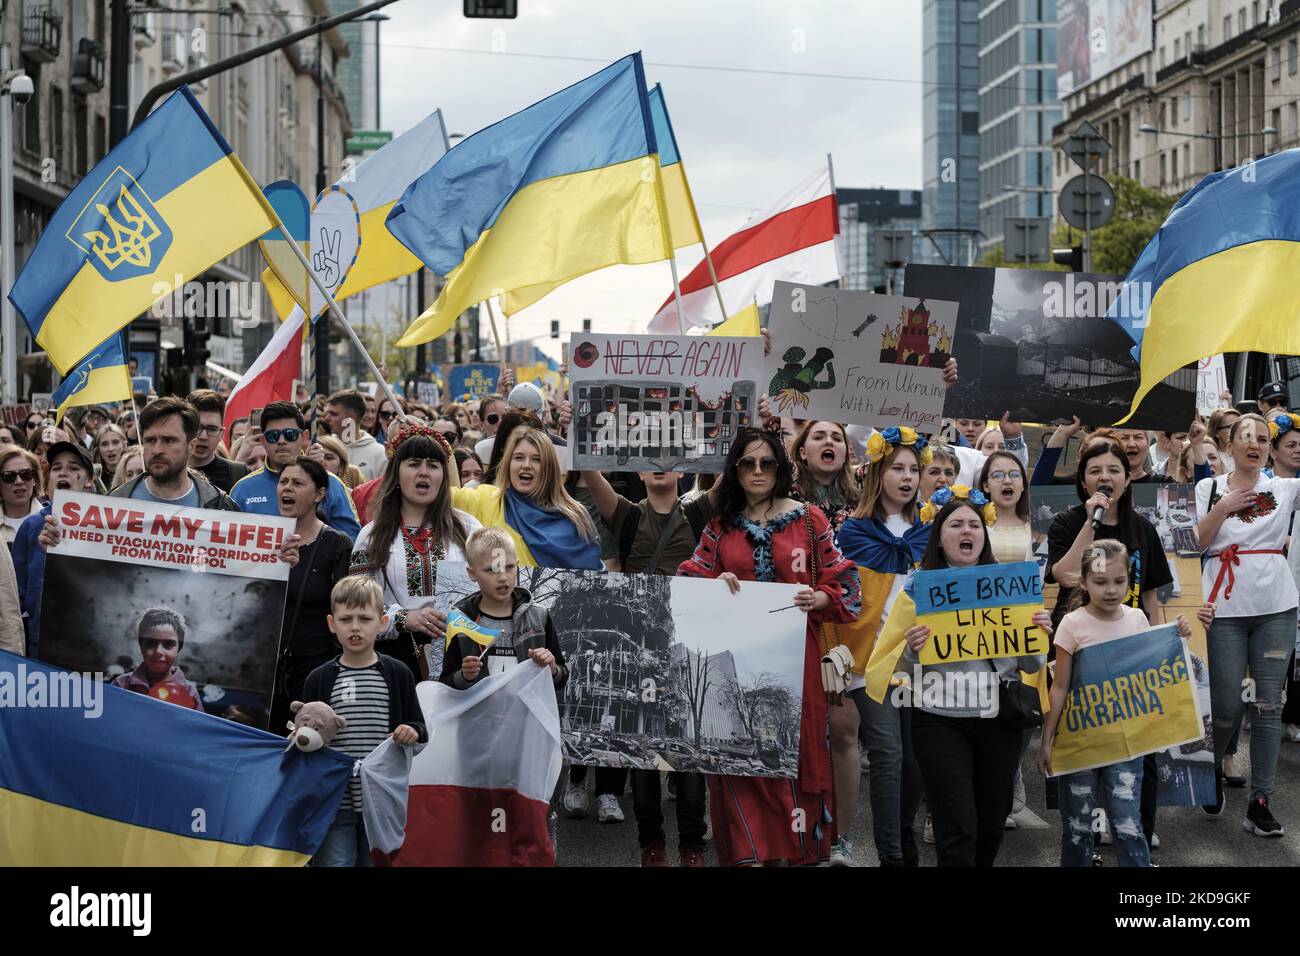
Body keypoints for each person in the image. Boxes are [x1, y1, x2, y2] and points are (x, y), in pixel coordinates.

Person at [677, 428, 861, 866]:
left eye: (767, 463)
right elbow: (687, 580)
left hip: (798, 667)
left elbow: (847, 584)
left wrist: (820, 597)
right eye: (747, 463)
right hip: (735, 670)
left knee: (795, 765)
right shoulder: (720, 526)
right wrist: (714, 583)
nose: (757, 472)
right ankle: (747, 855)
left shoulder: (810, 519)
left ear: (781, 468)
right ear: (735, 470)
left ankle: (793, 854)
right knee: (741, 764)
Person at [866, 490, 1051, 867]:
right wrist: (913, 647)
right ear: (939, 536)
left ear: (983, 535)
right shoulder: (919, 587)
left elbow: (1031, 665)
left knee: (991, 826)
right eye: (955, 524)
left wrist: (1039, 632)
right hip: (938, 720)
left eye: (973, 524)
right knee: (957, 827)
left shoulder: (1009, 585)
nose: (966, 531)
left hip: (998, 718)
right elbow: (893, 668)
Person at [581, 467, 717, 865]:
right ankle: (651, 846)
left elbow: (733, 462)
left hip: (687, 648)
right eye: (651, 457)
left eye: (670, 456)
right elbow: (589, 473)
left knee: (689, 753)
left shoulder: (698, 512)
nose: (661, 463)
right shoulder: (627, 514)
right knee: (642, 755)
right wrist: (576, 431)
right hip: (638, 653)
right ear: (639, 470)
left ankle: (693, 845)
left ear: (684, 469)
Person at [1038, 539, 1193, 867]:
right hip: (1080, 744)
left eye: (1119, 581)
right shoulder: (1072, 624)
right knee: (1077, 828)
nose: (1111, 590)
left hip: (1126, 746)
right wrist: (1046, 741)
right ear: (1083, 582)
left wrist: (1176, 635)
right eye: (1100, 582)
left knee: (1127, 825)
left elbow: (1154, 672)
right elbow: (1060, 686)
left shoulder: (1137, 618)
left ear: (1128, 579)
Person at [1195, 412, 1300, 835]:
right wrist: (1224, 507)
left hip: (1276, 606)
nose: (1254, 443)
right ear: (1230, 445)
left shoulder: (1286, 487)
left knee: (1269, 706)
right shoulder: (1209, 487)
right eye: (1246, 436)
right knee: (1225, 707)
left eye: (1262, 438)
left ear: (1270, 449)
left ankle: (1260, 800)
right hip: (1222, 607)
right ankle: (1209, 772)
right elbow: (1194, 542)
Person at [836, 427, 930, 867]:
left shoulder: (929, 532)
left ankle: (903, 837)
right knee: (888, 753)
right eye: (897, 467)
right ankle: (890, 855)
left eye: (914, 469)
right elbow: (847, 599)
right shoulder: (854, 531)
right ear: (879, 472)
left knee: (915, 762)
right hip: (870, 661)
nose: (907, 477)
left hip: (921, 662)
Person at [304, 576, 427, 867]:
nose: (355, 627)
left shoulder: (399, 674)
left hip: (381, 802)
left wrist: (411, 731)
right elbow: (305, 733)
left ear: (382, 623)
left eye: (364, 618)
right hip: (334, 801)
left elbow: (420, 729)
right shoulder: (318, 679)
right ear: (332, 624)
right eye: (346, 619)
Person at [351, 421, 480, 681]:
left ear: (443, 476)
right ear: (396, 474)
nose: (424, 472)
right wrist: (403, 618)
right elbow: (356, 606)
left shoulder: (469, 528)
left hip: (462, 663)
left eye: (433, 466)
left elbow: (491, 590)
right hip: (395, 664)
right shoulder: (372, 535)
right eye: (413, 464)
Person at [272, 456, 354, 734]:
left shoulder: (337, 545)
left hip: (315, 673)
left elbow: (345, 614)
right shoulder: (262, 539)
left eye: (297, 483)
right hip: (266, 675)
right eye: (283, 482)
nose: (287, 488)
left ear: (319, 494)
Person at [453, 426, 601, 571]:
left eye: (536, 459)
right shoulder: (486, 500)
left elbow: (593, 582)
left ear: (549, 468)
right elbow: (440, 497)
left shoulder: (575, 517)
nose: (526, 465)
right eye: (518, 458)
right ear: (508, 465)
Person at [440, 527, 566, 689]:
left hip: (524, 714)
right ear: (472, 573)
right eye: (491, 570)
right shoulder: (459, 621)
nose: (502, 577)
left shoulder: (540, 616)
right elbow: (445, 683)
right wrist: (464, 676)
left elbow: (561, 680)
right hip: (478, 714)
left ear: (518, 566)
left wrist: (553, 669)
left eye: (509, 567)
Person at [230, 402, 360, 539]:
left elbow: (352, 541)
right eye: (273, 435)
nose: (281, 441)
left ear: (304, 437)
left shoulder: (330, 483)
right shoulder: (242, 489)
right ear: (262, 440)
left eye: (289, 434)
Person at [15, 441, 95, 656]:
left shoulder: (107, 526)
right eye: (56, 468)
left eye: (74, 468)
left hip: (90, 647)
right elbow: (17, 595)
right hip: (40, 646)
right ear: (48, 479)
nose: (63, 473)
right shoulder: (30, 527)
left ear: (89, 480)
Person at [110, 397, 238, 510]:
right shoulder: (114, 502)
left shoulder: (220, 507)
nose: (157, 450)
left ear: (191, 446)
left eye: (169, 440)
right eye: (150, 440)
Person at [110, 607, 203, 711]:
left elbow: (197, 726)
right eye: (150, 643)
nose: (158, 651)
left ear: (179, 648)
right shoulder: (121, 684)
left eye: (168, 644)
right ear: (141, 646)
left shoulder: (189, 691)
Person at [790, 420, 860, 522]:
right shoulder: (787, 487)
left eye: (837, 438)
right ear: (803, 452)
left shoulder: (861, 488)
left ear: (846, 455)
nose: (829, 441)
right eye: (818, 437)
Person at [186, 389, 250, 493]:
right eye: (197, 428)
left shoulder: (239, 474)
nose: (203, 436)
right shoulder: (167, 471)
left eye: (212, 429)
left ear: (221, 434)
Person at [322, 389, 387, 481]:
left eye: (333, 414)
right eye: (327, 413)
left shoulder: (380, 453)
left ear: (351, 418)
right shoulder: (323, 447)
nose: (327, 418)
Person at [980, 451, 1032, 563]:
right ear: (986, 486)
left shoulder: (1036, 526)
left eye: (1015, 475)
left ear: (1023, 485)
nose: (1007, 481)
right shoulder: (974, 523)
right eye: (998, 475)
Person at [0, 445, 43, 547]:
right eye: (9, 476)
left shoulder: (51, 520)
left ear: (34, 479)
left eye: (25, 474)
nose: (19, 481)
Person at [1207, 407, 1241, 473]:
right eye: (1230, 426)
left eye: (1240, 425)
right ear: (1217, 433)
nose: (1238, 430)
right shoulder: (1210, 457)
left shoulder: (1248, 453)